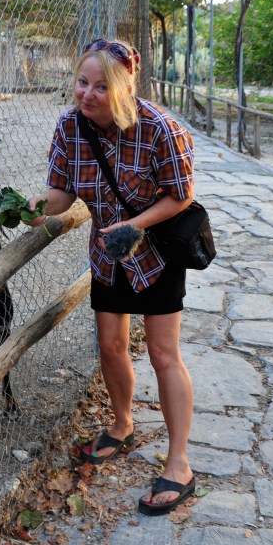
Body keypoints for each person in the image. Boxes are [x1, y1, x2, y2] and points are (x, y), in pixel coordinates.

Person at [28, 38, 196, 516]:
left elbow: (181, 194)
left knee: (164, 354)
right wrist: (34, 210)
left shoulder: (160, 129)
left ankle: (179, 463)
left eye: (101, 86)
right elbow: (59, 192)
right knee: (110, 345)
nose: (88, 94)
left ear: (123, 87)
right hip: (108, 255)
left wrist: (134, 225)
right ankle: (122, 426)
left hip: (156, 251)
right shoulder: (69, 127)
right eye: (82, 82)